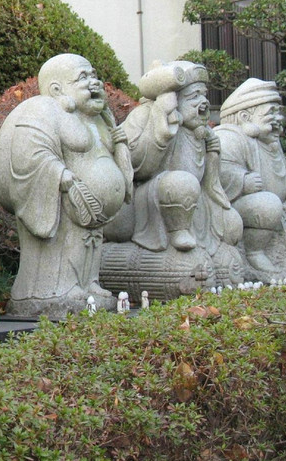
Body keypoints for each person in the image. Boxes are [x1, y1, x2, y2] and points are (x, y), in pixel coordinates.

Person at [0, 54, 131, 316]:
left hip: (94, 211)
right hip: (62, 197)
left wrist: (120, 142)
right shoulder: (43, 110)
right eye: (83, 77)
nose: (93, 82)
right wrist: (59, 174)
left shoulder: (99, 118)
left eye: (93, 75)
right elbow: (29, 151)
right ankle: (55, 289)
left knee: (89, 243)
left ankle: (89, 282)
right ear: (57, 89)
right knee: (63, 244)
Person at [99, 61, 244, 294]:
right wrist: (162, 133)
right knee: (182, 183)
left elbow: (209, 184)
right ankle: (177, 234)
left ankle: (201, 243)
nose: (203, 102)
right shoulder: (147, 115)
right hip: (149, 200)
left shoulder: (201, 134)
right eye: (195, 95)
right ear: (175, 99)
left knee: (233, 225)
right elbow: (134, 165)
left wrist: (213, 153)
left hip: (195, 204)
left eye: (204, 95)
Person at [217, 78, 286, 280]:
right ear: (246, 116)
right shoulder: (230, 138)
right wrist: (243, 181)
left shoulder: (272, 144)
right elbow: (220, 171)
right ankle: (254, 252)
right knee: (267, 205)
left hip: (283, 211)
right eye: (270, 113)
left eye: (278, 113)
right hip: (243, 207)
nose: (278, 119)